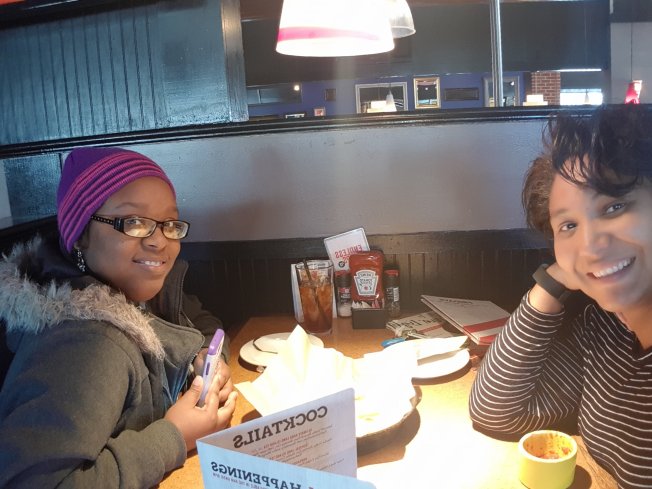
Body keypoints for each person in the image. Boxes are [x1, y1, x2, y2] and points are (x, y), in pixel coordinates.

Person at [0, 147, 237, 488]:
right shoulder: (83, 344)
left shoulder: (144, 289)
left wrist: (210, 359)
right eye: (135, 222)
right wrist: (173, 436)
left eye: (169, 224)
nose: (159, 241)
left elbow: (204, 322)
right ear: (80, 236)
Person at [469, 104, 652, 489]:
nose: (591, 244)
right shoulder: (606, 330)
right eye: (568, 225)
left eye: (615, 206)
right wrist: (553, 281)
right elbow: (497, 411)